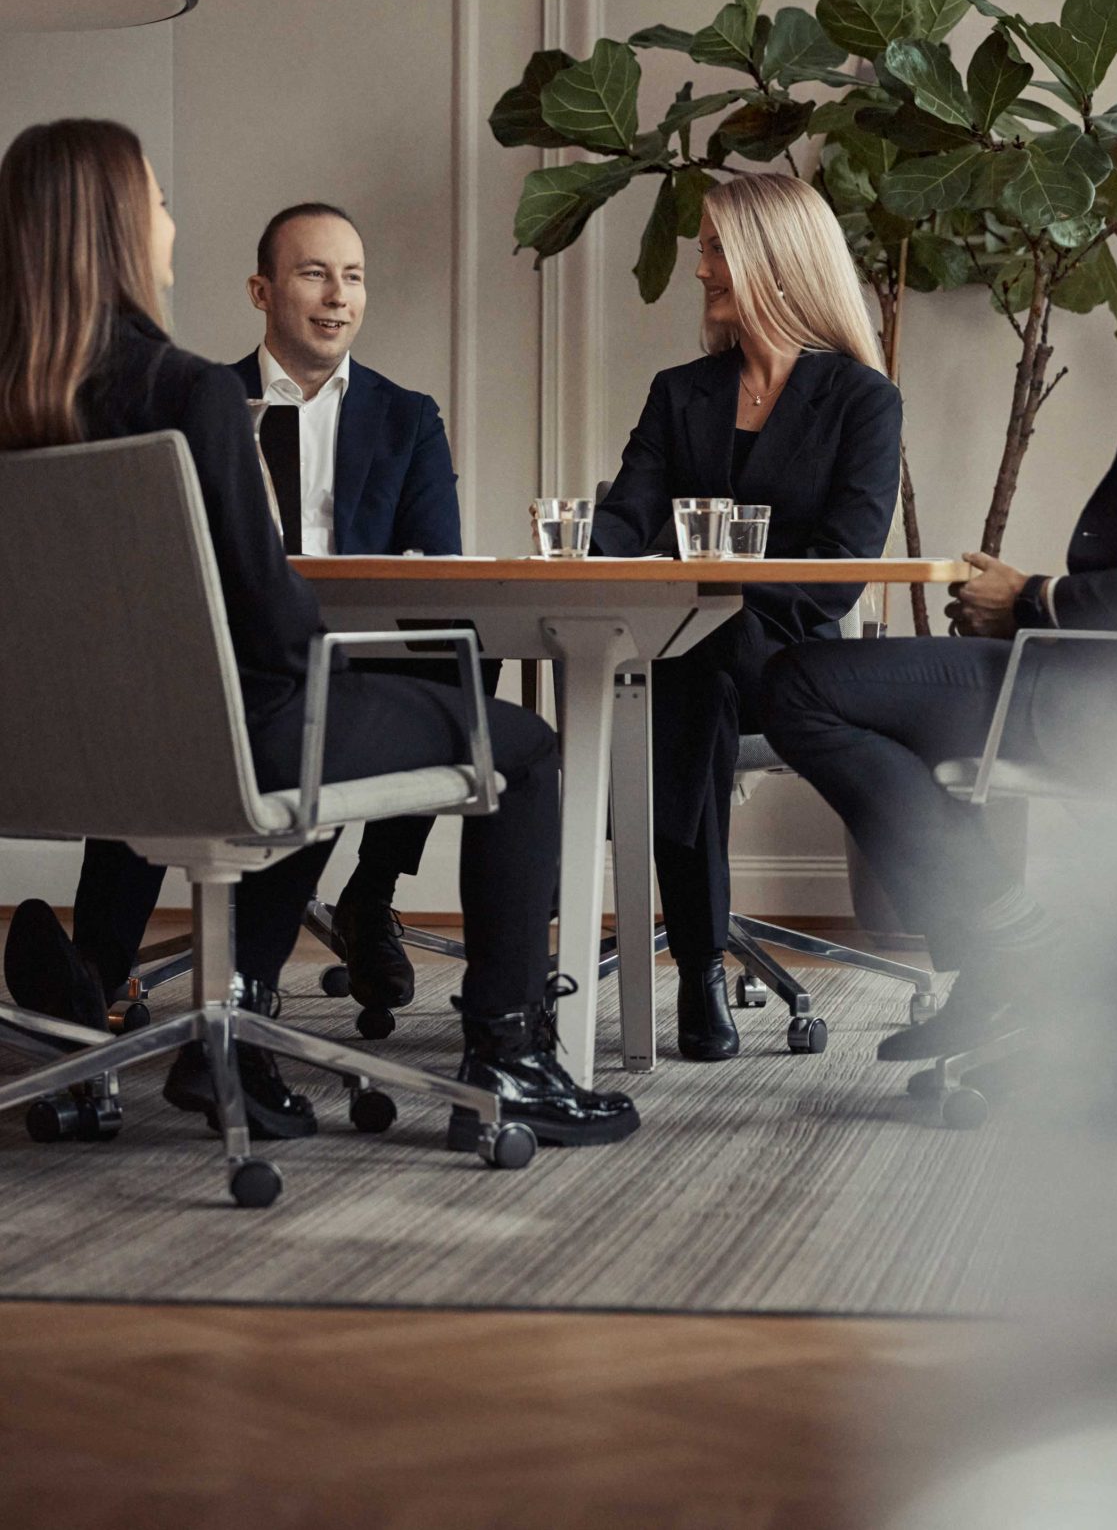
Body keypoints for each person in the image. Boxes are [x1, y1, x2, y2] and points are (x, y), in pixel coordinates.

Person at [0, 119, 637, 1150]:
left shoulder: (21, 402)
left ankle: (190, 1021)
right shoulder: (188, 391)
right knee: (516, 745)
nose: (170, 224)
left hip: (49, 760)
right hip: (228, 743)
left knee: (333, 712)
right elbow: (267, 618)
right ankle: (509, 1060)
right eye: (157, 204)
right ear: (119, 229)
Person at [761, 90, 1117, 1090]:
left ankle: (1011, 949)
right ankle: (1002, 955)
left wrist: (1029, 600)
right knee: (831, 688)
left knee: (802, 685)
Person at [66, 199, 473, 1018]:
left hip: (357, 647)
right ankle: (99, 968)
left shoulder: (408, 417)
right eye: (314, 273)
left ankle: (370, 895)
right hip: (225, 648)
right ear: (261, 290)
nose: (338, 296)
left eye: (353, 277)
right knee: (172, 706)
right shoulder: (198, 399)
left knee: (463, 648)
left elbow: (439, 565)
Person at [592, 173, 902, 1061]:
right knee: (689, 660)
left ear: (775, 258)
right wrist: (581, 553)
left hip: (797, 669)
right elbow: (627, 516)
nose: (701, 270)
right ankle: (698, 961)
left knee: (696, 653)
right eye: (705, 249)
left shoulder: (862, 401)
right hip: (692, 660)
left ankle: (693, 958)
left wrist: (714, 584)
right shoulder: (678, 391)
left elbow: (838, 576)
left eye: (717, 249)